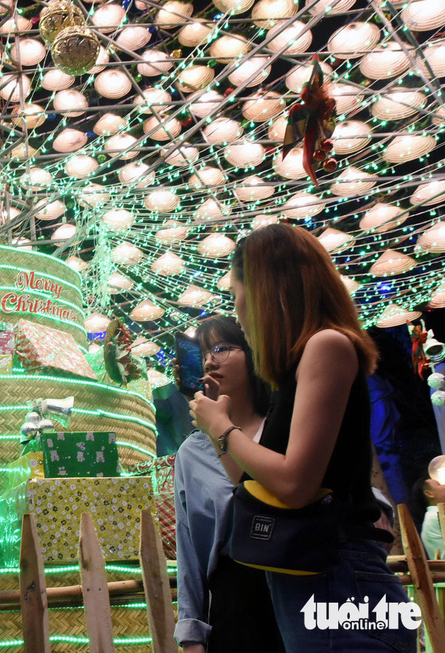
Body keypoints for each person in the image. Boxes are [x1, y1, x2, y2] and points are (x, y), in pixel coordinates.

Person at [191, 223, 415, 652]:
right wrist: (222, 422)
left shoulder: (326, 344)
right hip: (315, 575)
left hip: (339, 573)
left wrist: (222, 428)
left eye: (239, 299)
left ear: (267, 291)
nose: (239, 315)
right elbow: (254, 483)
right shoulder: (293, 371)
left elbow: (294, 484)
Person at [174, 315, 283, 653]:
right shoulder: (192, 453)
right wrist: (191, 634)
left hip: (296, 580)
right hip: (233, 600)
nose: (210, 360)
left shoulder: (281, 429)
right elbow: (188, 546)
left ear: (252, 355)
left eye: (221, 348)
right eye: (204, 353)